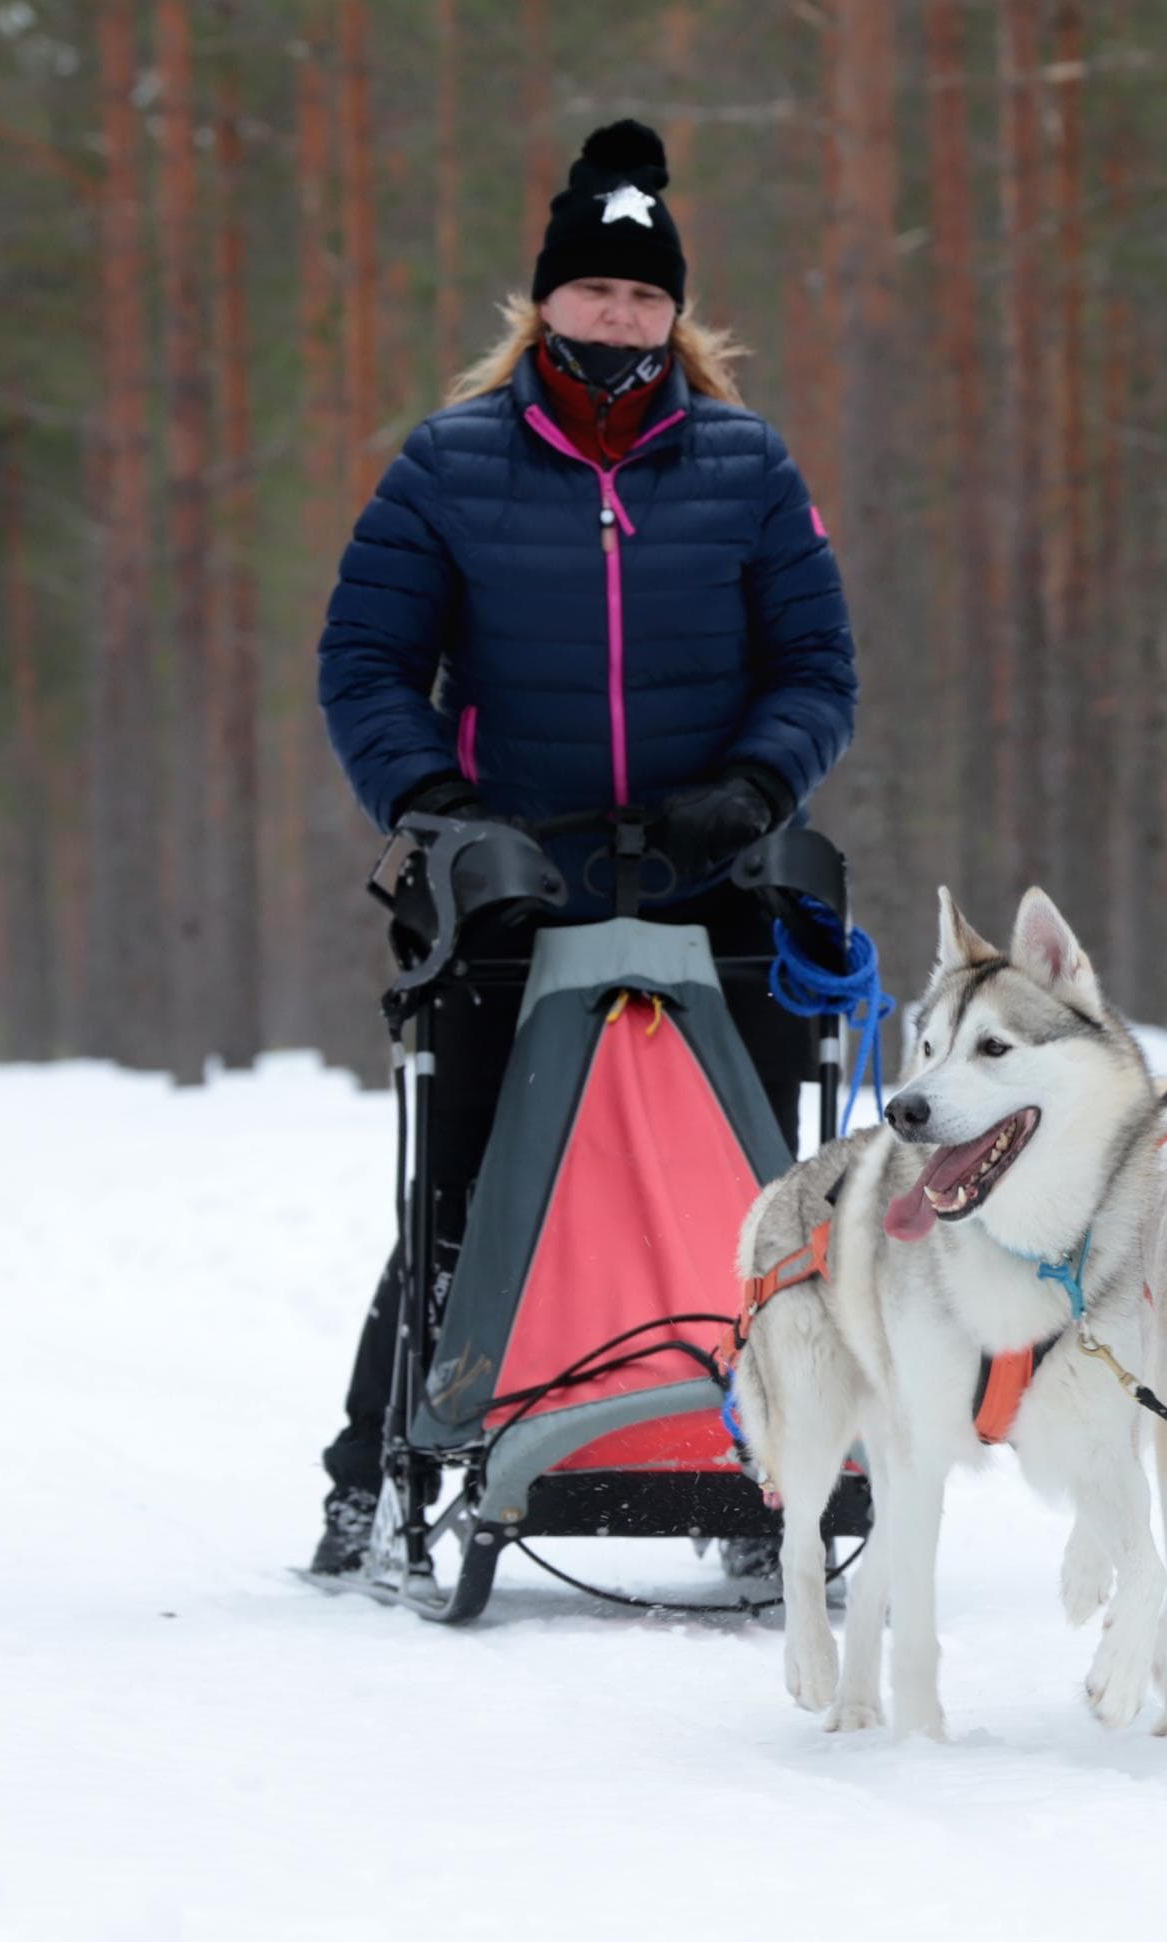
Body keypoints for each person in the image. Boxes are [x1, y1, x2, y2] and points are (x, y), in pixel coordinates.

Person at [308, 120, 856, 1573]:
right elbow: (366, 661)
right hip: (514, 887)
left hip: (713, 877)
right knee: (469, 1189)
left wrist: (751, 790)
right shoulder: (447, 465)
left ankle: (774, 1478)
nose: (621, 317)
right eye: (597, 292)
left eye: (645, 296)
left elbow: (816, 667)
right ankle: (381, 1469)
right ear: (544, 302)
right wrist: (441, 808)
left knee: (758, 1193)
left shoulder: (745, 464)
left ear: (677, 314)